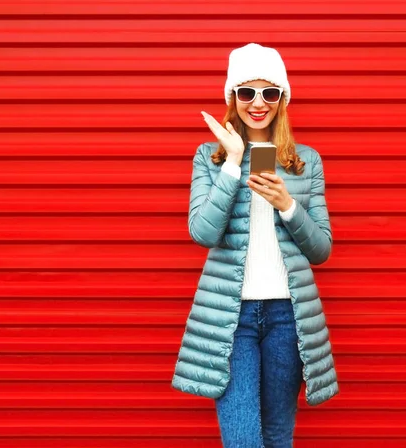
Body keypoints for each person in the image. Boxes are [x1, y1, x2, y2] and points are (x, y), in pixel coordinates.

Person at [172, 42, 339, 448]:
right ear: (233, 98)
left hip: (288, 316)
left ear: (283, 99)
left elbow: (321, 250)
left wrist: (287, 206)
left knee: (278, 436)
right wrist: (232, 162)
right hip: (231, 318)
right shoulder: (208, 159)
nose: (258, 103)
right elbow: (203, 233)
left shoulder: (306, 161)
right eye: (247, 92)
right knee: (244, 440)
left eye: (270, 92)